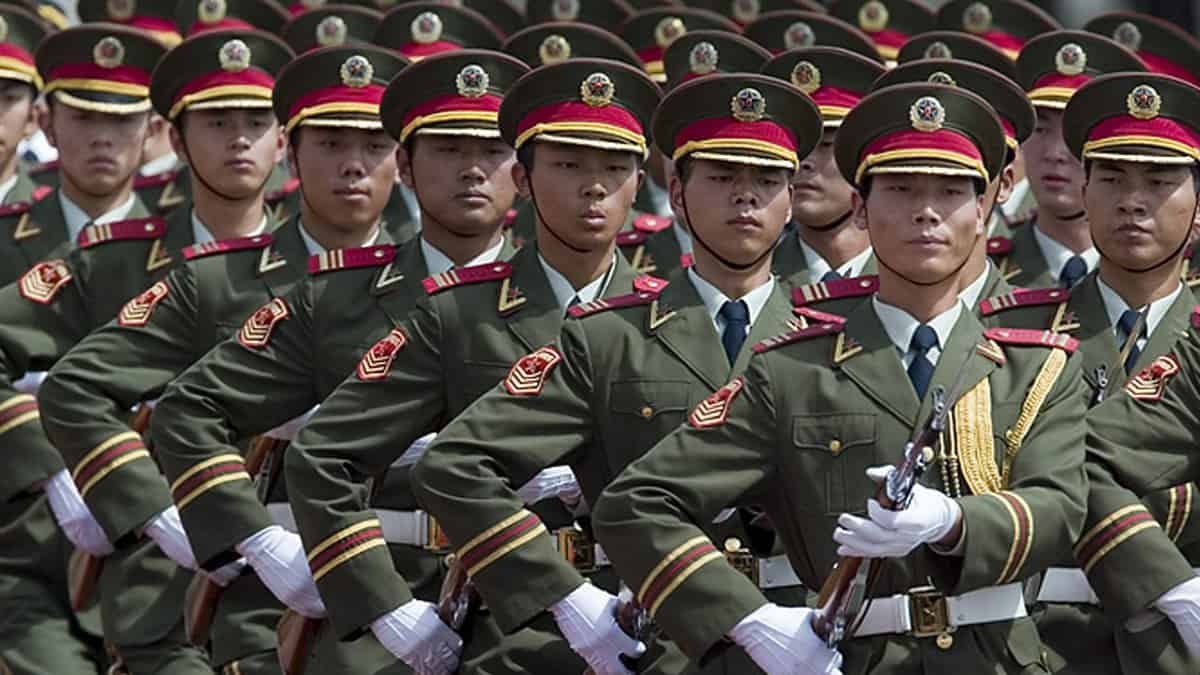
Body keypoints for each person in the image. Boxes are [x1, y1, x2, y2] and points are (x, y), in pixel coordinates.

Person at [593, 82, 1088, 675]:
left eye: (952, 192)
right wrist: (747, 619)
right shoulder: (792, 371)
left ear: (983, 210)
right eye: (901, 190)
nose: (926, 212)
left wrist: (956, 523)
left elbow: (1061, 507)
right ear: (860, 208)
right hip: (850, 656)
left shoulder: (1037, 364)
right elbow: (637, 503)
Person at [411, 71, 822, 675]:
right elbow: (455, 467)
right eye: (722, 177)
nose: (746, 197)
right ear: (676, 194)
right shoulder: (607, 335)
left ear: (792, 200)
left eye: (767, 180)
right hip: (654, 642)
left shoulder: (836, 340)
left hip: (804, 636)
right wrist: (567, 599)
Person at [281, 57, 662, 674]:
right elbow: (327, 454)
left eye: (615, 169)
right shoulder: (457, 313)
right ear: (529, 177)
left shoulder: (675, 318)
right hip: (497, 621)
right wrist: (385, 607)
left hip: (655, 621)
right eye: (567, 166)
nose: (594, 187)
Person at [150, 48, 525, 673]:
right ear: (405, 164)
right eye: (449, 151)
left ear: (525, 168)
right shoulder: (337, 298)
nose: (473, 171)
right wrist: (264, 544)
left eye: (491, 151)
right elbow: (191, 409)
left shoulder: (577, 309)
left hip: (534, 607)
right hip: (368, 598)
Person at [37, 29, 318, 675]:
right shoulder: (113, 256)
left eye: (256, 122)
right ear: (175, 135)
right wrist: (140, 503)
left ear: (284, 139)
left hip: (293, 561)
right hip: (158, 566)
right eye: (217, 123)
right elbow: (65, 386)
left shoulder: (328, 270)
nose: (240, 140)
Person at [990, 72, 1200, 675]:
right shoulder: (1012, 335)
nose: (1132, 201)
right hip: (1043, 643)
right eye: (1111, 179)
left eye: (1159, 182)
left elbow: (1048, 473)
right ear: (1084, 186)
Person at [992, 30, 1145, 289]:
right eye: (1040, 129)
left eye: (1072, 133)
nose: (1054, 153)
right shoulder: (985, 274)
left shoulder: (1152, 278)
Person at [761, 46, 882, 288]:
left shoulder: (912, 282)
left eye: (826, 145)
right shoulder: (754, 282)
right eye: (796, 148)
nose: (803, 162)